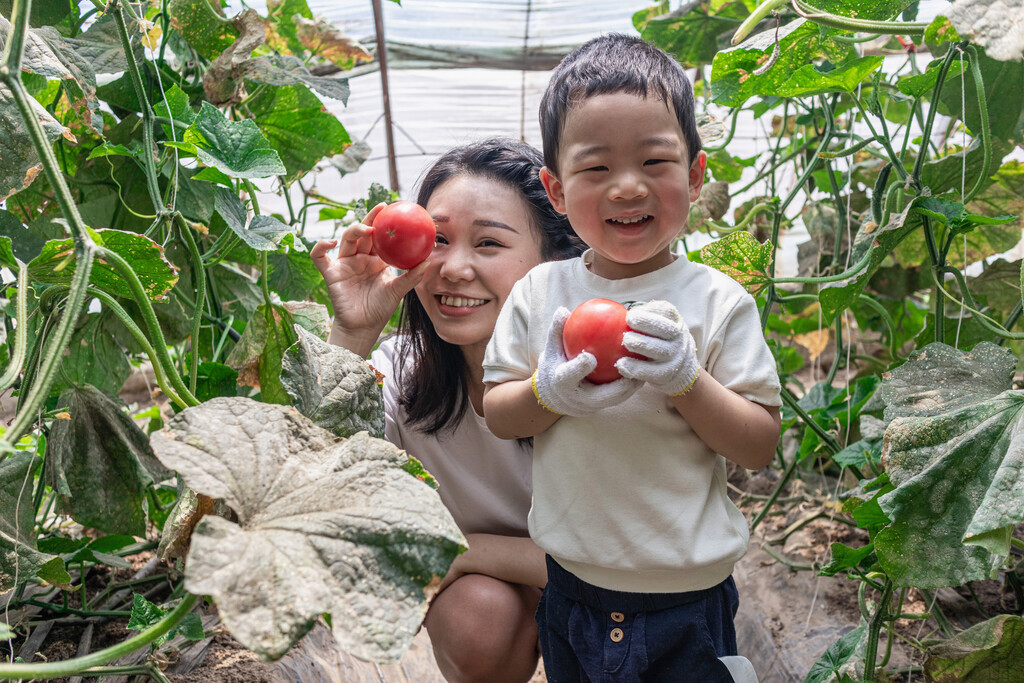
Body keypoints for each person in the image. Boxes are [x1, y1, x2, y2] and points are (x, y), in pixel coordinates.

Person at [481, 34, 782, 682]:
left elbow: (758, 444)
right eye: (596, 169)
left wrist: (687, 379)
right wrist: (546, 393)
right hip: (573, 593)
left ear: (696, 177)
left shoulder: (716, 300)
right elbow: (500, 413)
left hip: (688, 602)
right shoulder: (541, 293)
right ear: (556, 190)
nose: (626, 187)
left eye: (654, 161)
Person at [310, 138, 583, 683]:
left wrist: (460, 550)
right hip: (497, 592)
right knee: (478, 616)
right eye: (435, 240)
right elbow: (307, 474)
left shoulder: (586, 373)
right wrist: (353, 333)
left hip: (620, 592)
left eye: (488, 243)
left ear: (554, 261)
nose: (454, 268)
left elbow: (623, 553)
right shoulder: (401, 372)